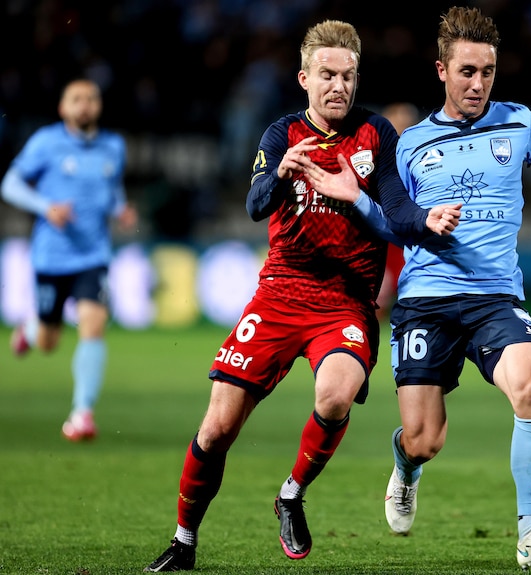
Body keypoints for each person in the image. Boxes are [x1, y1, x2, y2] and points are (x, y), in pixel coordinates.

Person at [302, 6, 531, 570]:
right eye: (467, 71)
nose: (478, 83)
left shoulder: (520, 124)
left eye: (488, 71)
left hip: (496, 297)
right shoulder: (409, 144)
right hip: (425, 302)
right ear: (442, 71)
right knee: (426, 438)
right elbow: (393, 222)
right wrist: (358, 198)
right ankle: (405, 465)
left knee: (530, 386)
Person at [143, 20, 460, 572]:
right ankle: (183, 541)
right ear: (305, 79)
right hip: (279, 297)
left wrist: (424, 218)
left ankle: (292, 492)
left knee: (336, 396)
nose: (339, 85)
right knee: (217, 429)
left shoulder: (376, 133)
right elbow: (254, 205)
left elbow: (395, 207)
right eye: (328, 75)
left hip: (345, 302)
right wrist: (283, 176)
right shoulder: (281, 135)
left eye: (349, 75)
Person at [1, 78, 137, 441]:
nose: (85, 105)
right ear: (63, 108)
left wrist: (120, 209)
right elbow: (10, 184)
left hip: (93, 255)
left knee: (93, 323)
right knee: (49, 340)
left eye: (91, 98)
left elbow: (111, 189)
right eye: (76, 99)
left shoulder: (113, 146)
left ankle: (82, 414)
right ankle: (30, 331)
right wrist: (46, 207)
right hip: (51, 257)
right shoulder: (46, 143)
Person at [376, 102, 421, 318]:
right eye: (396, 130)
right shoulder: (370, 166)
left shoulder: (423, 167)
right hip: (382, 245)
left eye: (406, 129)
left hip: (411, 244)